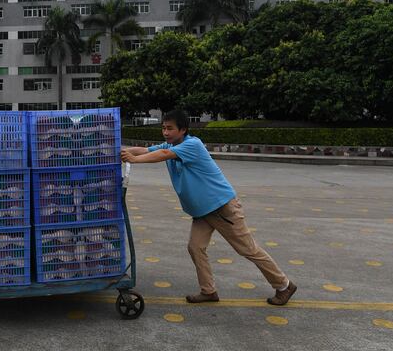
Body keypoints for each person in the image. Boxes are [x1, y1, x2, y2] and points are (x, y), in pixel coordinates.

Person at [120, 109, 297, 305]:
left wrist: (134, 160)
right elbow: (145, 150)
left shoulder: (191, 145)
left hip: (222, 208)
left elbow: (162, 154)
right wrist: (121, 152)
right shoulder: (171, 144)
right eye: (163, 128)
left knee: (248, 249)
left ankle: (284, 285)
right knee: (195, 247)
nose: (166, 132)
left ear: (183, 130)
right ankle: (208, 291)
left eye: (170, 129)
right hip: (203, 212)